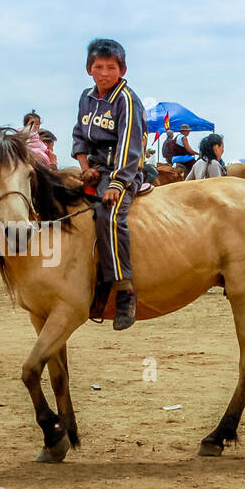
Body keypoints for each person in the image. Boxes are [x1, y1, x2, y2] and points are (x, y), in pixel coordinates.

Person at [71, 37, 146, 330]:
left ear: (122, 69)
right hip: (94, 170)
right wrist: (85, 167)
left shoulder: (126, 100)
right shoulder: (86, 98)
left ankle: (124, 289)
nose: (104, 72)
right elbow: (79, 135)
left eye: (111, 67)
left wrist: (117, 184)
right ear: (89, 69)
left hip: (123, 172)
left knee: (108, 214)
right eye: (98, 66)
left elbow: (130, 146)